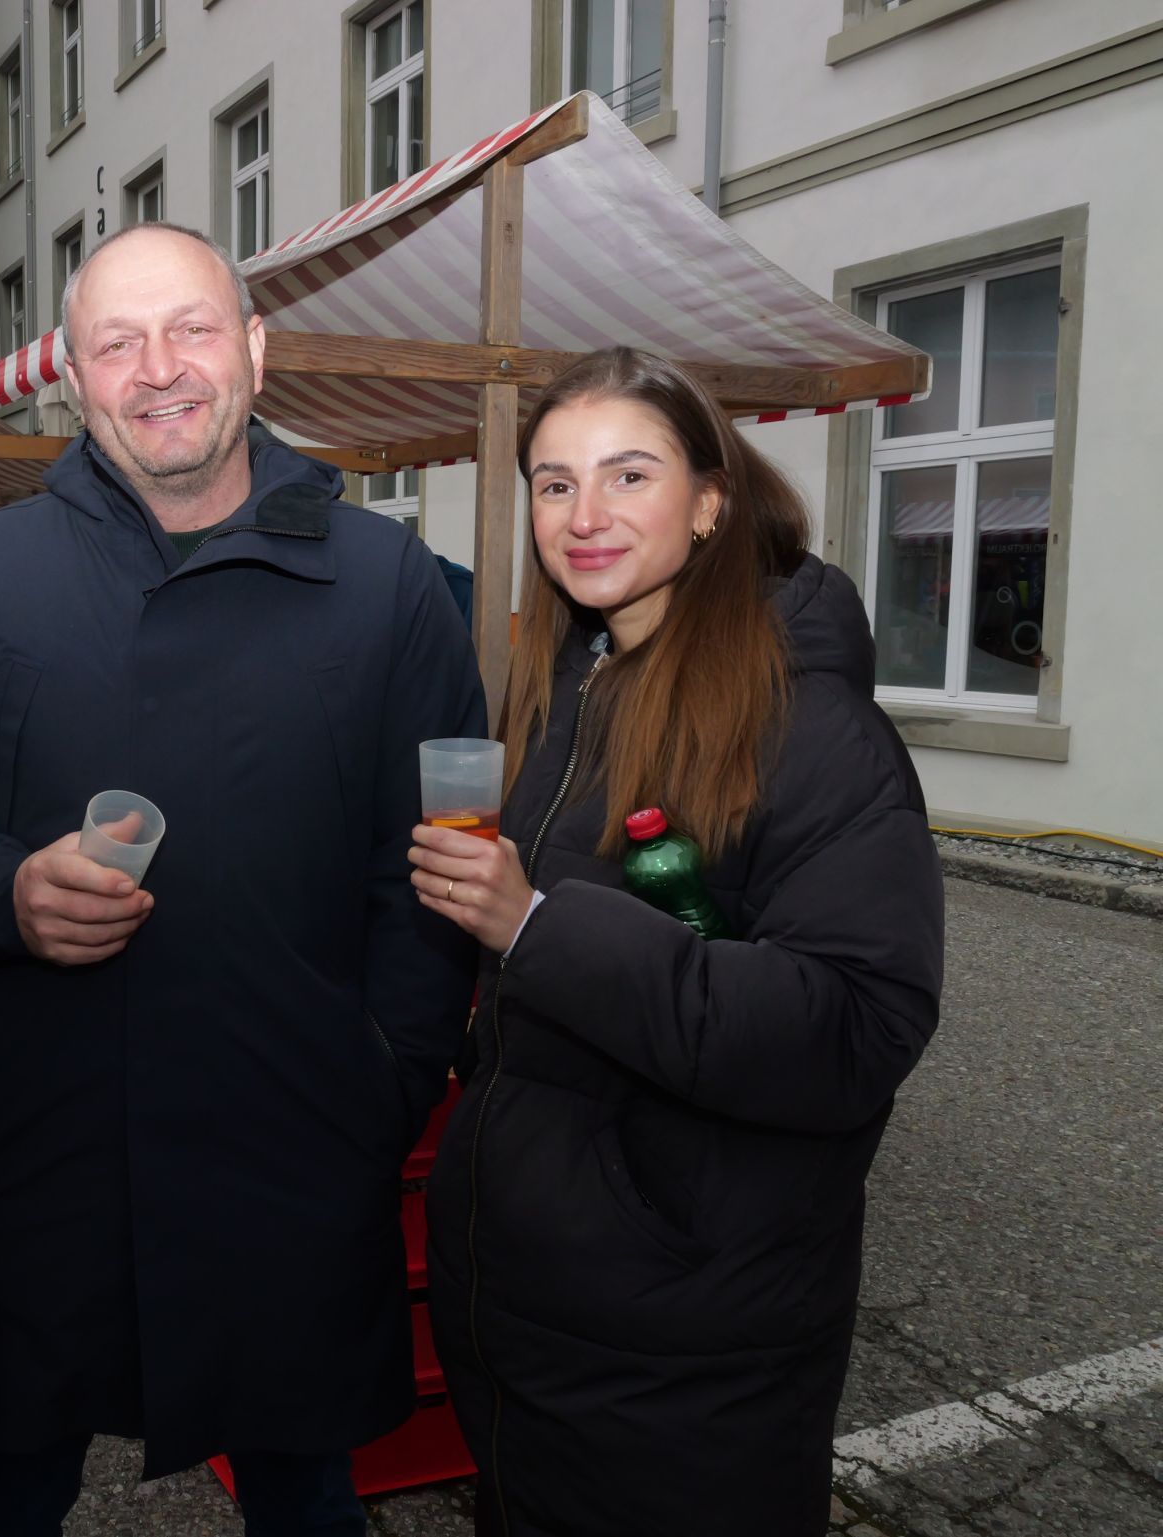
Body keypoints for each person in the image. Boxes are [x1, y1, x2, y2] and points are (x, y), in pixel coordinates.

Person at [0, 222, 484, 1535]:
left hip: (296, 1148)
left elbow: (425, 867)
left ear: (254, 351)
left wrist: (390, 1078)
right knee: (5, 1480)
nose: (160, 370)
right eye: (118, 342)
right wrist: (6, 888)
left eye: (191, 329)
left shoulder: (389, 586)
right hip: (44, 1148)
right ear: (76, 382)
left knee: (307, 1492)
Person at [411, 347, 943, 1536]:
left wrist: (536, 929)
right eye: (551, 483)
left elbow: (852, 1028)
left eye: (625, 474)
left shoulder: (814, 729)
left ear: (710, 500)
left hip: (688, 1353)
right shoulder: (577, 690)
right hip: (536, 1329)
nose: (581, 515)